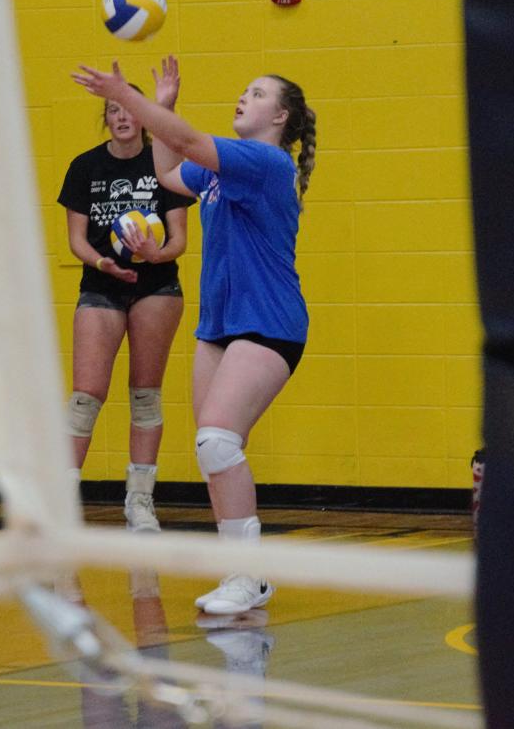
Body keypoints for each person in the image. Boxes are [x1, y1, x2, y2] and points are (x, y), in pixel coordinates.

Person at [72, 55, 316, 615]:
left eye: (256, 93)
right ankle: (242, 576)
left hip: (270, 322)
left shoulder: (264, 162)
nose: (243, 97)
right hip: (220, 327)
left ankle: (248, 576)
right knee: (213, 451)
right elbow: (167, 172)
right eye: (243, 89)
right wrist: (163, 105)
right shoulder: (222, 171)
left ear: (279, 117)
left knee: (217, 441)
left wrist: (133, 101)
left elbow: (184, 141)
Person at [57, 84, 193, 533]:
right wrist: (102, 262)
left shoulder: (164, 163)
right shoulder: (85, 166)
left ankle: (140, 502)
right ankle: (59, 504)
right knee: (85, 396)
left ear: (143, 116)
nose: (121, 117)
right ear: (106, 118)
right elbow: (76, 239)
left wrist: (154, 255)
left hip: (156, 288)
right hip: (101, 286)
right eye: (113, 110)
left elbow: (179, 241)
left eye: (129, 109)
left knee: (145, 394)